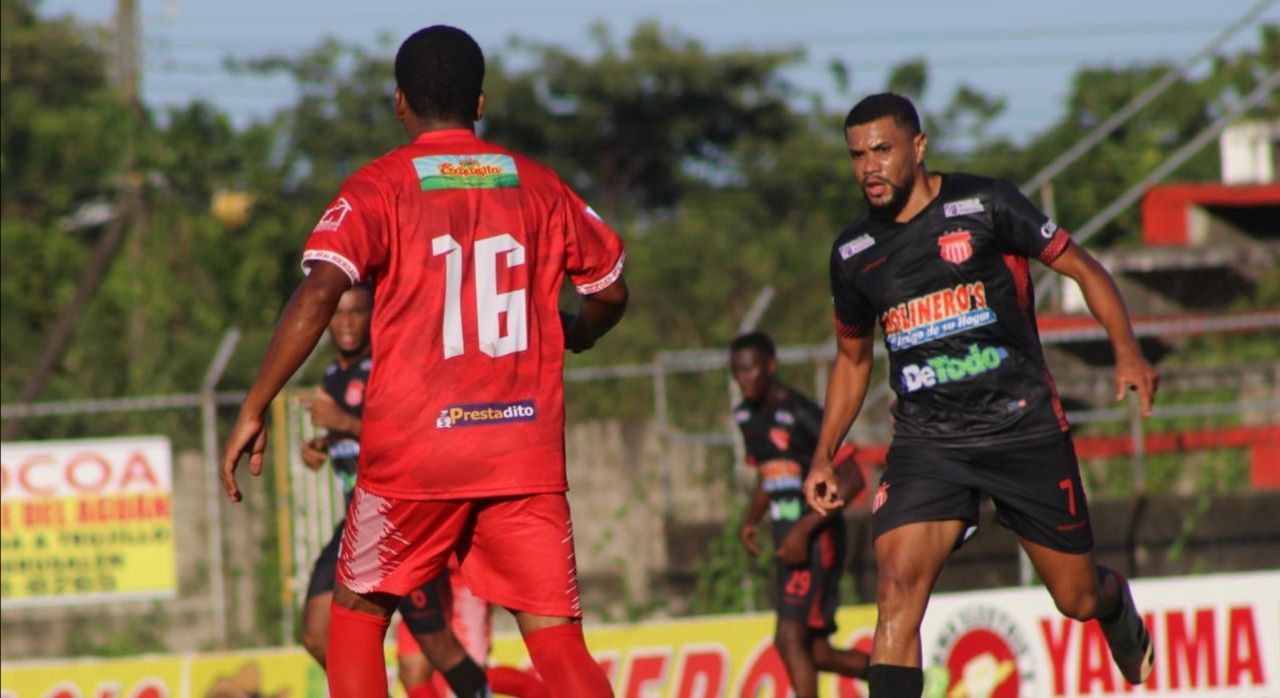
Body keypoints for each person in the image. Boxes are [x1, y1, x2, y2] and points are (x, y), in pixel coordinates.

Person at [219, 24, 627, 698]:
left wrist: (254, 405)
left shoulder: (381, 187)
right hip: (520, 450)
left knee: (353, 618)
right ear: (482, 101)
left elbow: (322, 287)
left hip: (416, 456)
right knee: (557, 640)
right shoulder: (540, 186)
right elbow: (609, 288)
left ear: (400, 101)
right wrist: (579, 333)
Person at [803, 93, 1159, 698]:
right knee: (894, 593)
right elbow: (852, 359)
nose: (869, 167)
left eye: (883, 150)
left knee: (1074, 598)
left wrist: (1126, 348)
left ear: (918, 147)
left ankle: (1111, 600)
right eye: (857, 155)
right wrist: (822, 453)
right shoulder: (853, 254)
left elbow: (1083, 268)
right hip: (928, 443)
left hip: (1022, 428)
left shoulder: (987, 204)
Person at [296, 284, 506, 698]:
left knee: (435, 647)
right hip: (353, 525)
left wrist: (344, 422)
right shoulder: (333, 377)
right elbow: (356, 442)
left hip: (398, 522)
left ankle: (478, 690)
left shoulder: (387, 368)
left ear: (373, 317)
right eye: (338, 314)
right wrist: (323, 445)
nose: (347, 323)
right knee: (316, 634)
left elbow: (412, 438)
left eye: (357, 313)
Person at [730, 331, 870, 697]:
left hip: (815, 541)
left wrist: (803, 530)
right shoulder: (746, 416)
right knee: (816, 652)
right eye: (736, 373)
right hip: (788, 543)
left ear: (771, 367)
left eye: (749, 370)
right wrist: (751, 520)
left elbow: (855, 479)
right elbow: (769, 471)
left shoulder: (802, 414)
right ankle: (909, 679)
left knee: (787, 637)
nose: (743, 379)